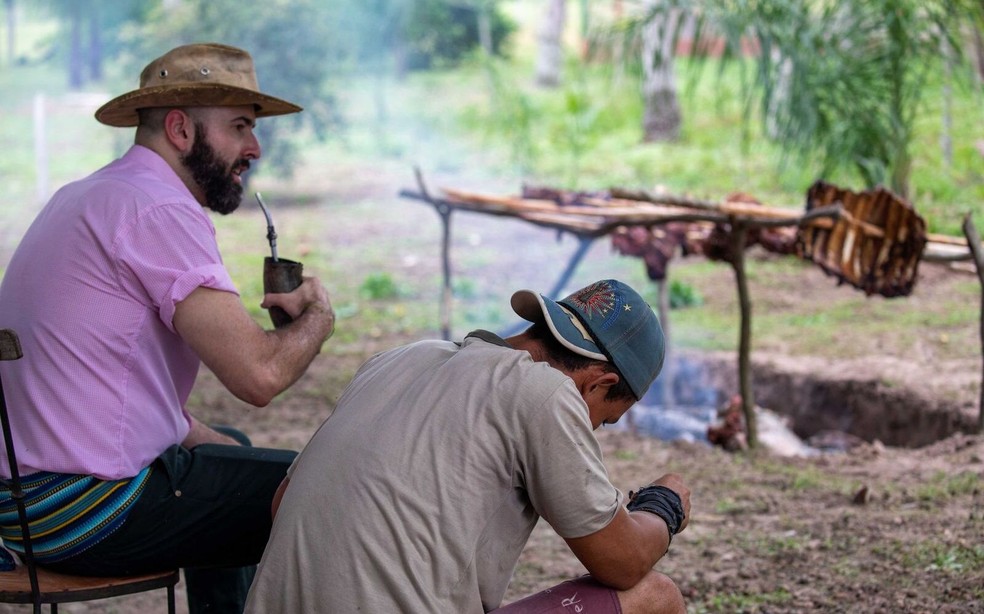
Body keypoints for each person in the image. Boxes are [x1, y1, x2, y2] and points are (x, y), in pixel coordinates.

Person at [0, 43, 335, 613]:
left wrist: (220, 447)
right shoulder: (157, 209)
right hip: (80, 509)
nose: (253, 148)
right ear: (180, 129)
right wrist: (318, 321)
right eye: (239, 127)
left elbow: (106, 381)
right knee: (338, 490)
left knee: (234, 447)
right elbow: (258, 376)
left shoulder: (88, 195)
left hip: (21, 500)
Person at [245, 278, 692, 614]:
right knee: (655, 597)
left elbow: (282, 504)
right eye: (605, 419)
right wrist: (663, 504)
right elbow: (623, 562)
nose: (595, 429)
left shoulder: (400, 358)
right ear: (601, 383)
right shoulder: (546, 393)